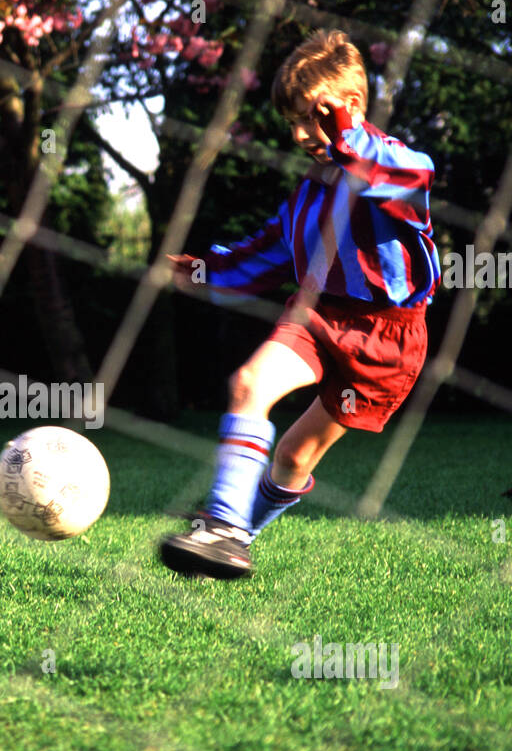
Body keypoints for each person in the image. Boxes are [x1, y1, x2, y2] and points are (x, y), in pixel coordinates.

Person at [160, 29, 440, 579]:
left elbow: (409, 175)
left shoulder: (397, 166)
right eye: (291, 121)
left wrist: (350, 139)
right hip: (318, 315)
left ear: (348, 108)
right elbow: (270, 253)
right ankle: (224, 527)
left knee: (294, 457)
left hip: (390, 338)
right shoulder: (312, 191)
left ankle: (235, 538)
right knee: (249, 384)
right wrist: (205, 271)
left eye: (308, 118)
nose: (296, 134)